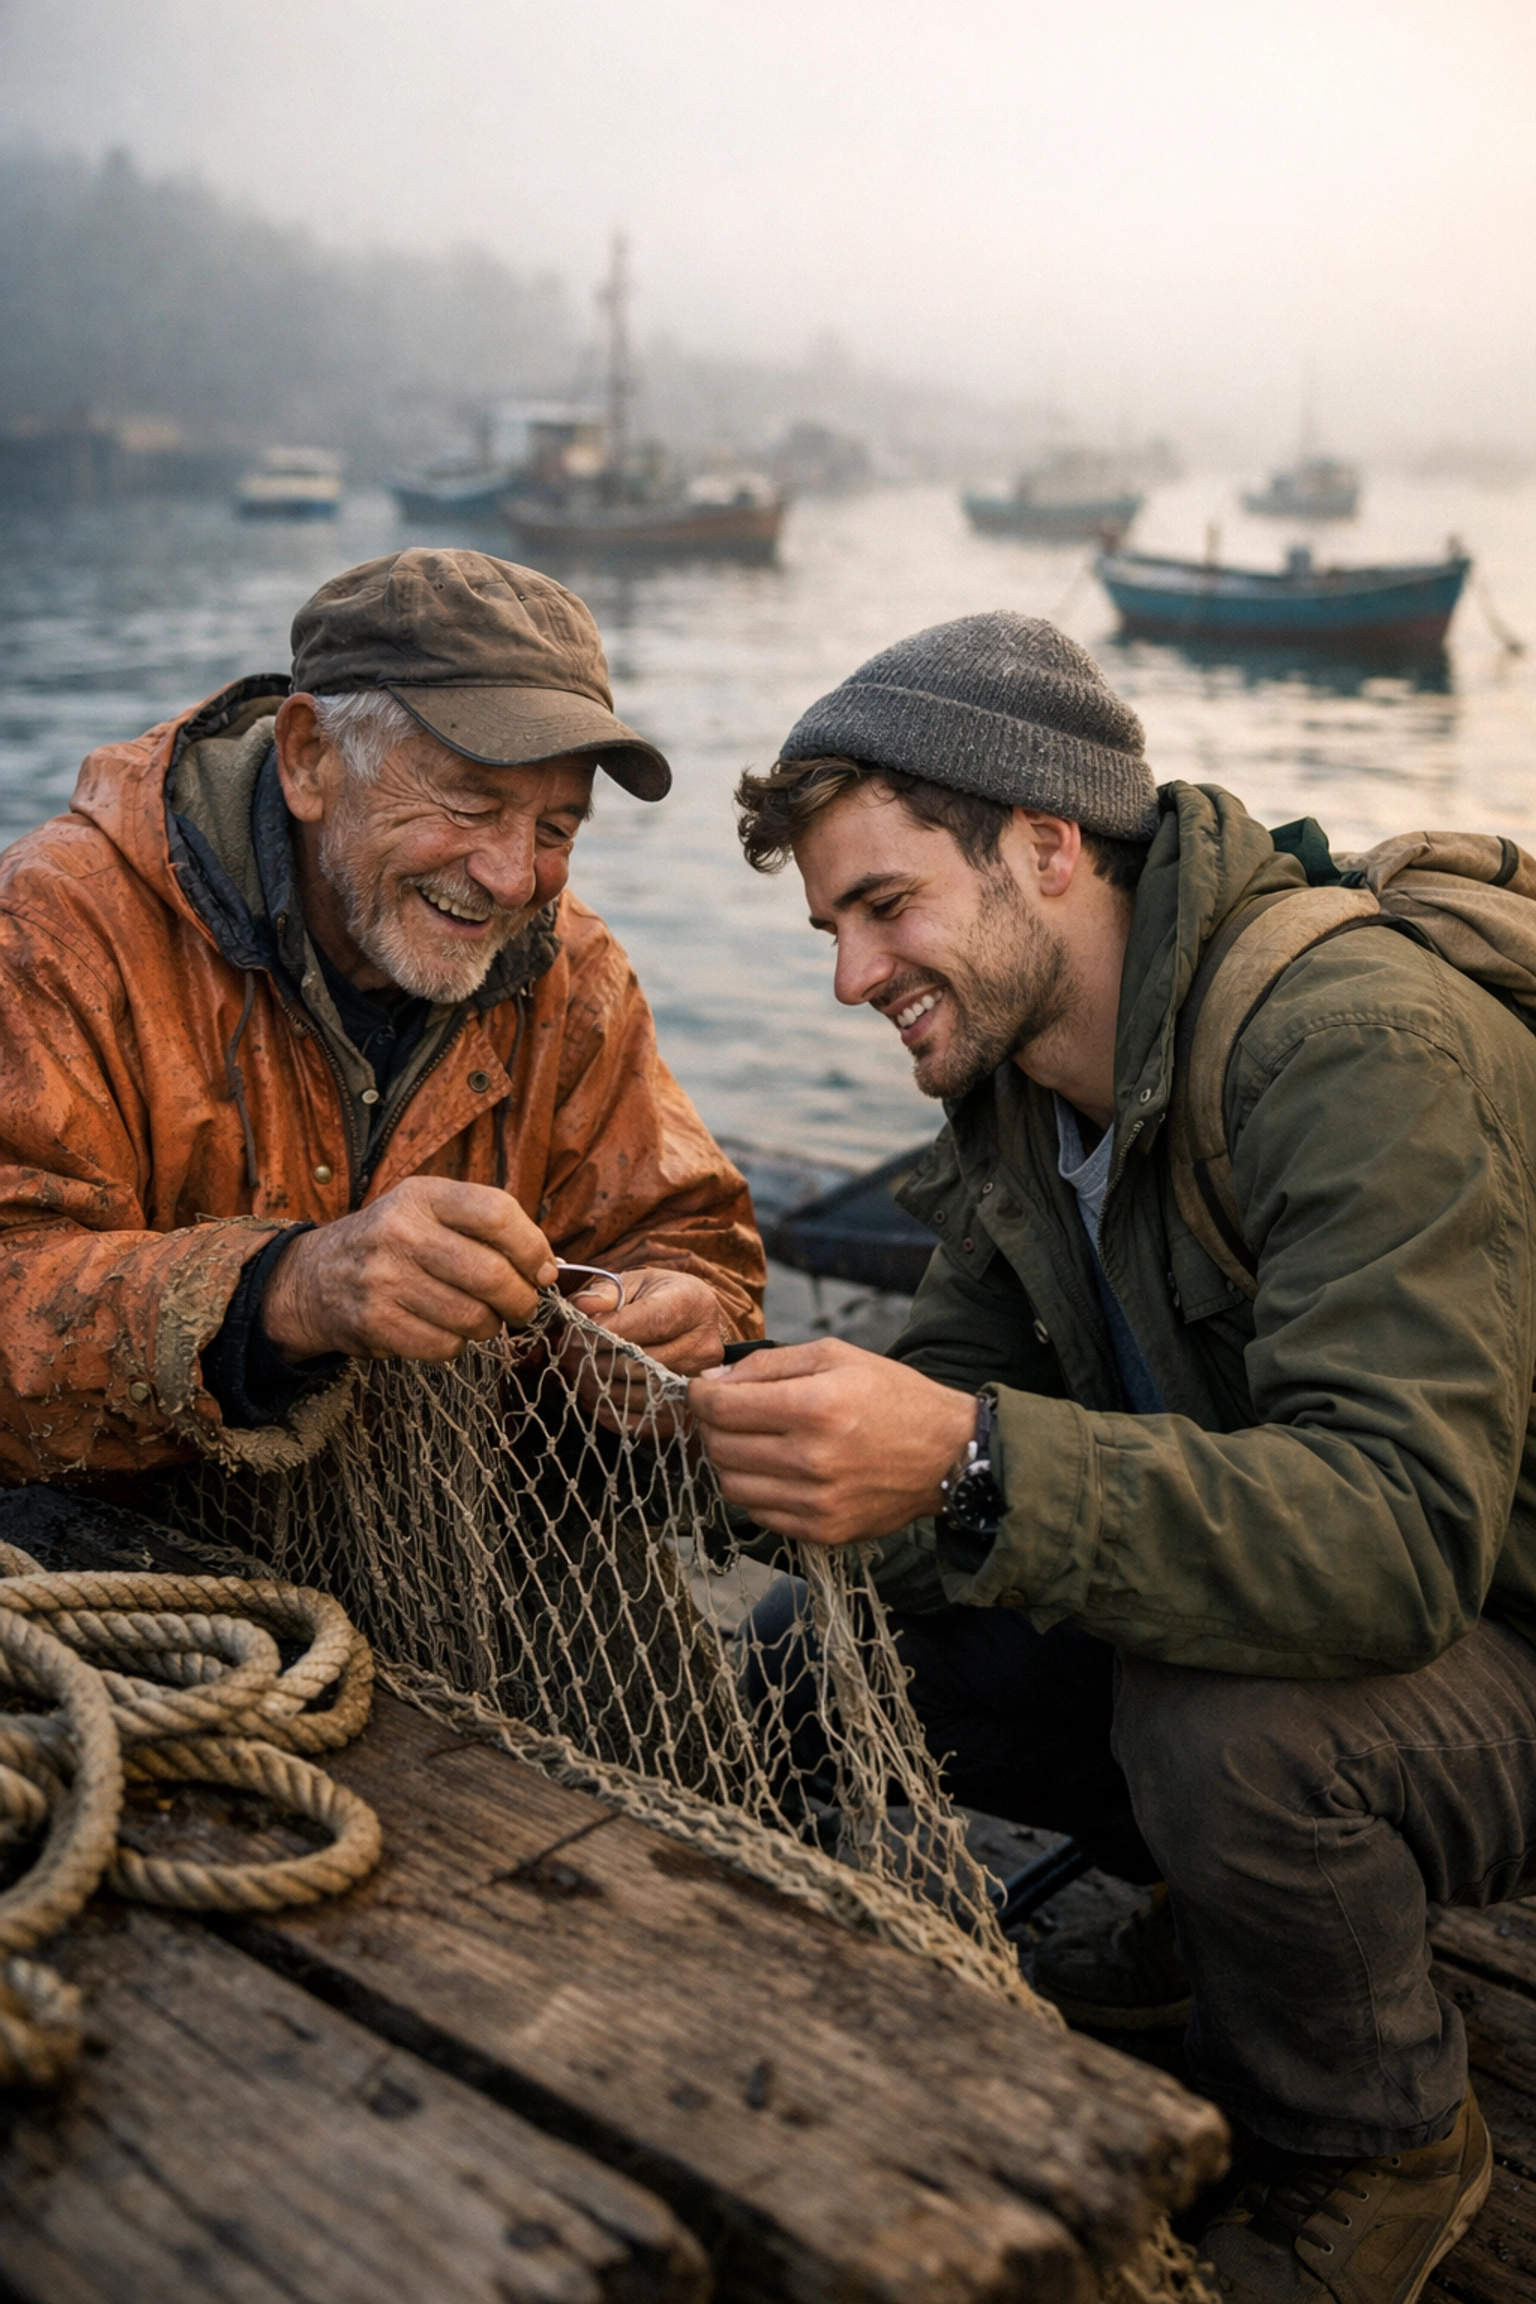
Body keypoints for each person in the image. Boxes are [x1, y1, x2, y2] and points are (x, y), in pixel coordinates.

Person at [691, 611, 1536, 2302]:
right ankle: (1211, 1933)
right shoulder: (1022, 1090)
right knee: (821, 1650)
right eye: (829, 927)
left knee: (1229, 1730)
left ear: (1049, 844)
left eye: (885, 905)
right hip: (1304, 1607)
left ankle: (1376, 2132)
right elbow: (931, 1429)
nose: (851, 977)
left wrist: (969, 1458)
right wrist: (716, 1413)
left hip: (1491, 1633)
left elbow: (1399, 1536)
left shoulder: (1349, 1040)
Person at [0, 547, 762, 1486]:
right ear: (308, 758)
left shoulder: (575, 972)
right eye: (471, 804)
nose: (514, 875)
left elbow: (690, 1233)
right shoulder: (60, 928)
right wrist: (285, 1293)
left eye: (556, 829)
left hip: (450, 1557)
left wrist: (681, 1310)